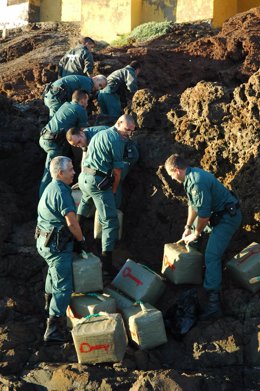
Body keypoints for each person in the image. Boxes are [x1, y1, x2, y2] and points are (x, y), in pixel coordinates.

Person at [164, 154, 242, 320]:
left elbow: (204, 215)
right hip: (217, 215)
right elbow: (193, 205)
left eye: (171, 175)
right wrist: (188, 227)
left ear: (176, 170)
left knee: (212, 256)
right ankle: (191, 274)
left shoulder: (197, 182)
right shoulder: (189, 177)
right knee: (193, 234)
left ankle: (214, 303)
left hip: (227, 218)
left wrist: (196, 233)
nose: (171, 178)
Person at [35, 156, 88, 343]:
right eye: (71, 169)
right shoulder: (61, 192)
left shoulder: (50, 187)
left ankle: (48, 308)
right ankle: (54, 329)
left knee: (53, 275)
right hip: (56, 245)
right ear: (60, 173)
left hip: (43, 241)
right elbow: (72, 222)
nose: (74, 172)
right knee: (63, 286)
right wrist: (81, 240)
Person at [76, 115, 136, 276]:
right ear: (118, 124)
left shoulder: (100, 133)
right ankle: (107, 263)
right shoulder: (116, 140)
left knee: (85, 203)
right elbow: (117, 171)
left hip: (84, 178)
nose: (129, 133)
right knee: (110, 220)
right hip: (97, 182)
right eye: (127, 129)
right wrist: (114, 190)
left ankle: (75, 238)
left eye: (131, 131)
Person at [66, 125, 139, 207]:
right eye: (76, 146)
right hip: (113, 155)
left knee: (113, 179)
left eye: (79, 142)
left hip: (127, 155)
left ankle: (114, 209)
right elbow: (85, 159)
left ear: (81, 133)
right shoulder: (84, 138)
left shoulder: (97, 135)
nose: (79, 146)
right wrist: (83, 178)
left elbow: (112, 164)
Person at [39, 89, 89, 196]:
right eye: (87, 101)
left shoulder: (65, 105)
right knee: (51, 172)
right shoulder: (80, 110)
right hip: (53, 143)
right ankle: (44, 199)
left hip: (44, 137)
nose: (87, 104)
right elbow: (84, 133)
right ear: (83, 99)